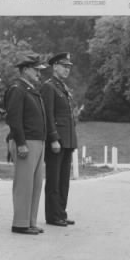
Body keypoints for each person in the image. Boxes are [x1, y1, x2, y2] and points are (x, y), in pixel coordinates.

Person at [4, 53, 47, 235]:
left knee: (35, 183)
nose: (39, 73)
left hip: (37, 141)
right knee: (24, 183)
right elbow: (13, 118)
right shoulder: (17, 88)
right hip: (26, 141)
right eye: (36, 69)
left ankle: (30, 221)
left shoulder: (29, 89)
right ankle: (20, 223)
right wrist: (20, 143)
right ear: (25, 70)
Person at [40, 52, 78, 227]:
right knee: (54, 180)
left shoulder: (61, 87)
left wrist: (70, 140)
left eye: (69, 67)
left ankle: (61, 213)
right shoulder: (49, 87)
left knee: (63, 180)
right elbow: (48, 115)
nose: (67, 69)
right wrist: (53, 138)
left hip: (67, 141)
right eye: (64, 66)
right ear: (54, 66)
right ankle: (53, 216)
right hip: (57, 142)